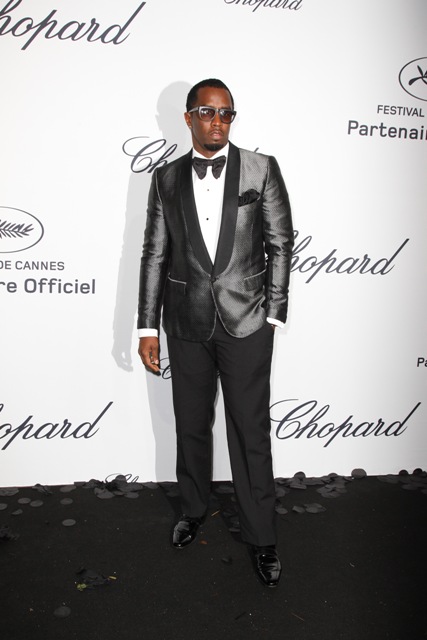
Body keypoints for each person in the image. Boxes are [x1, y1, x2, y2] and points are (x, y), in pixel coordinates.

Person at [137, 78, 293, 588]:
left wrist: (274, 313)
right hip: (185, 321)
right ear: (188, 118)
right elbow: (155, 254)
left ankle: (262, 536)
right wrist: (146, 326)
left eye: (226, 113)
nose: (218, 121)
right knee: (190, 424)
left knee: (250, 431)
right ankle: (192, 508)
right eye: (207, 112)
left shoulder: (261, 169)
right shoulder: (165, 178)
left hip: (247, 321)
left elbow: (280, 243)